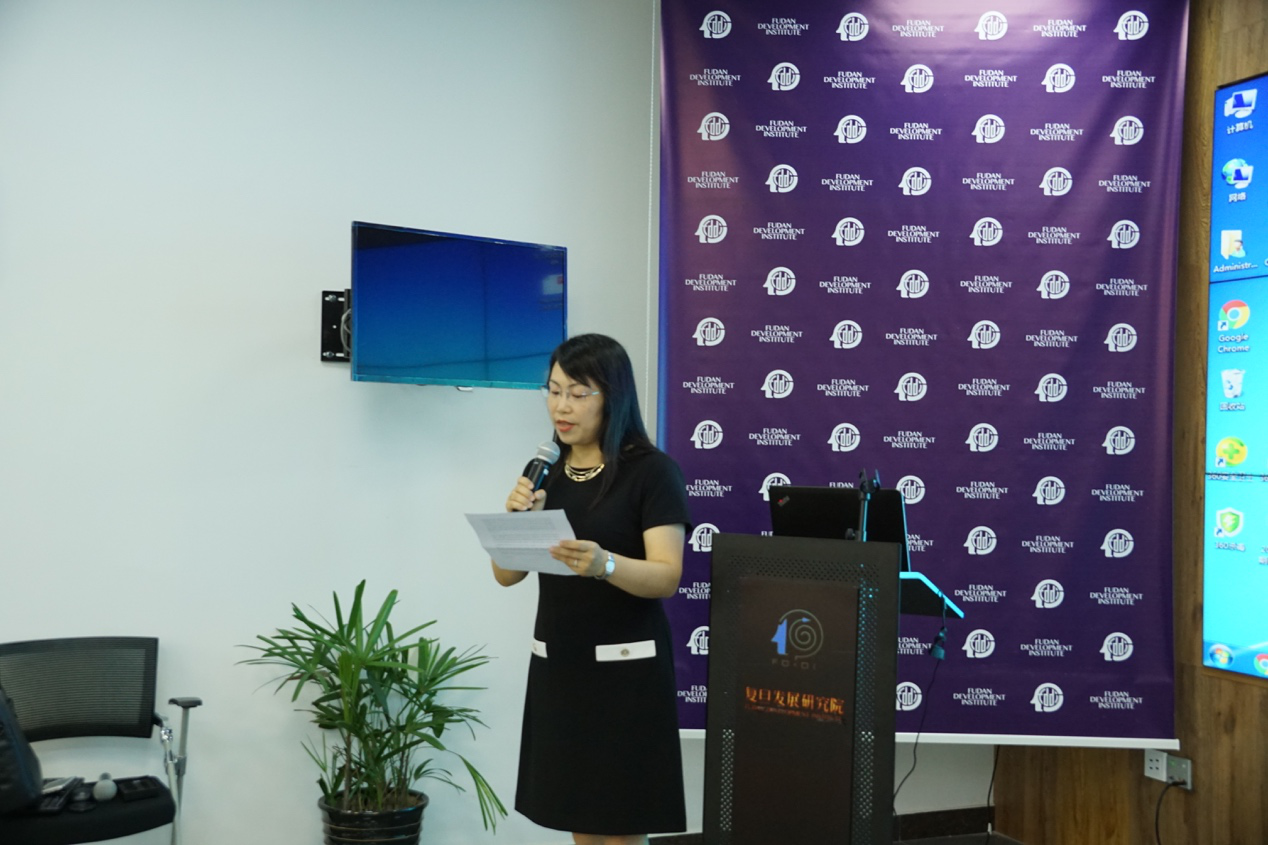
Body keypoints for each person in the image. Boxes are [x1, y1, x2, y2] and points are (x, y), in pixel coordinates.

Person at [492, 334, 690, 845]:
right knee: (579, 817)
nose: (561, 407)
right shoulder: (544, 473)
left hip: (626, 673)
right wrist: (517, 521)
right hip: (562, 667)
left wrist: (606, 565)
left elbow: (667, 576)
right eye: (554, 391)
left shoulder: (652, 472)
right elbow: (506, 575)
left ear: (612, 397)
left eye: (578, 394)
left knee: (620, 824)